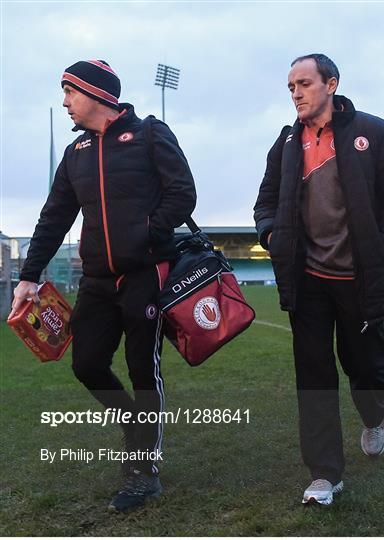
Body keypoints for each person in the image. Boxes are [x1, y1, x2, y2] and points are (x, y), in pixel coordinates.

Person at [9, 59, 197, 512]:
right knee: (87, 364)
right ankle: (136, 427)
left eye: (70, 92)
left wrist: (150, 232)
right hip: (96, 281)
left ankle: (144, 470)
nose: (65, 102)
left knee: (142, 370)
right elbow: (55, 216)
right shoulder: (75, 154)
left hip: (145, 275)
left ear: (96, 94)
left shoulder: (150, 134)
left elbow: (183, 192)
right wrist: (29, 276)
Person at [254, 53, 384, 506]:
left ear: (331, 83)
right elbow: (265, 199)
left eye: (304, 83)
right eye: (290, 87)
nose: (296, 93)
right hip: (306, 280)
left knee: (365, 367)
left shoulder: (376, 133)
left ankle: (373, 417)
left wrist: (380, 245)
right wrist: (272, 234)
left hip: (358, 280)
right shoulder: (286, 143)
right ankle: (324, 475)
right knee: (314, 375)